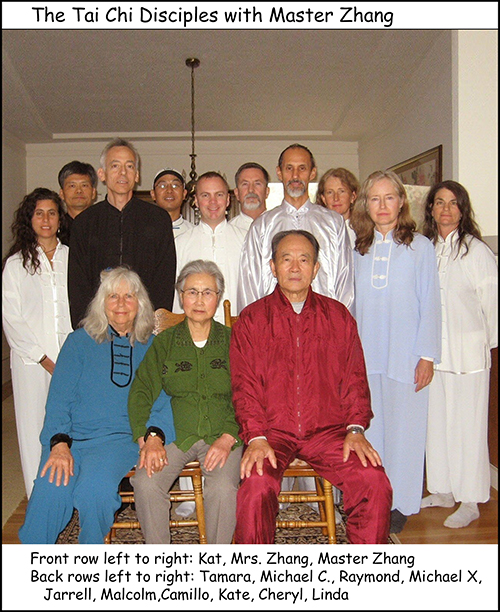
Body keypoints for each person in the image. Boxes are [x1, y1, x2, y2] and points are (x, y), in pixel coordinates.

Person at [230, 230, 392, 544]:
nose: (295, 267)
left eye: (304, 260)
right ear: (273, 266)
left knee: (373, 480)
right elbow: (244, 386)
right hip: (271, 432)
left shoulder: (338, 316)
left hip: (328, 431)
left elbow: (355, 378)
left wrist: (356, 428)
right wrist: (256, 436)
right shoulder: (252, 320)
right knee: (256, 486)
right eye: (286, 259)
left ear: (315, 268)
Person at [18, 266, 174, 544]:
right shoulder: (77, 342)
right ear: (102, 303)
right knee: (50, 492)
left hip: (119, 440)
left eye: (129, 296)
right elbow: (58, 401)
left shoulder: (154, 347)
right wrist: (59, 444)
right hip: (70, 439)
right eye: (113, 296)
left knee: (95, 493)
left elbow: (166, 399)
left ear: (140, 303)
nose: (121, 304)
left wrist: (154, 436)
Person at [350, 170, 441, 534]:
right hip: (366, 356)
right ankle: (373, 499)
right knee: (371, 432)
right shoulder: (358, 249)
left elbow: (430, 302)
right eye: (375, 198)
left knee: (406, 433)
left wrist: (427, 356)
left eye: (389, 198)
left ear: (401, 201)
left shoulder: (420, 247)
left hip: (407, 356)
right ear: (366, 204)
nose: (383, 205)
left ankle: (401, 503)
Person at [129, 260, 243, 544]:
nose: (199, 300)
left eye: (207, 292)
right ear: (181, 297)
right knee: (145, 483)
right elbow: (141, 391)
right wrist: (146, 438)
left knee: (223, 489)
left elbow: (248, 395)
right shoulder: (164, 342)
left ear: (218, 297)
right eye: (192, 292)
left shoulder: (234, 341)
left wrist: (229, 436)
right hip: (176, 435)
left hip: (223, 433)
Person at [420, 180, 498, 528]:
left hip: (468, 357)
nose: (446, 209)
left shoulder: (475, 251)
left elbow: (493, 305)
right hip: (435, 357)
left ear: (462, 209)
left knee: (467, 429)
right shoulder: (426, 248)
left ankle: (470, 499)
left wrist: (483, 347)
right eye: (439, 202)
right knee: (437, 427)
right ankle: (444, 490)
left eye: (453, 203)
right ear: (431, 209)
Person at [2, 188, 72, 497]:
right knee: (34, 430)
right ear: (29, 219)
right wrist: (42, 358)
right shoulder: (16, 264)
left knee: (71, 427)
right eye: (39, 213)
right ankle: (39, 497)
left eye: (52, 213)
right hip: (32, 363)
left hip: (71, 359)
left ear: (60, 218)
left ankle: (69, 494)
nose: (46, 219)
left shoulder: (73, 257)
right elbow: (11, 318)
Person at [68, 137, 176, 328]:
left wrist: (153, 325)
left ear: (137, 175)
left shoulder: (158, 220)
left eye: (129, 166)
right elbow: (77, 284)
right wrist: (86, 328)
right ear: (102, 174)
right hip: (97, 327)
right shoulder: (84, 223)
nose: (123, 173)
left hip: (145, 326)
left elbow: (164, 279)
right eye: (115, 166)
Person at [237, 143, 353, 313]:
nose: (295, 175)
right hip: (273, 323)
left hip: (323, 321)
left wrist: (338, 322)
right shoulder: (262, 226)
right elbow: (249, 285)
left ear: (312, 173)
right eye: (289, 168)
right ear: (279, 173)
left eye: (302, 168)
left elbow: (345, 282)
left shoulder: (333, 223)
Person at [174, 172, 246, 323]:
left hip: (237, 327)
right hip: (193, 328)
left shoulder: (246, 240)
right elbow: (176, 296)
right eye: (205, 195)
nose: (213, 202)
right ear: (196, 200)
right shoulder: (180, 243)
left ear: (228, 199)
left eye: (219, 195)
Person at [316, 167, 359, 247]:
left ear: (353, 196)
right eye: (330, 192)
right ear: (323, 198)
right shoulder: (316, 231)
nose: (336, 198)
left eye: (341, 191)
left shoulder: (366, 232)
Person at [57, 160, 98, 243]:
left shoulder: (104, 225)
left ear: (93, 193)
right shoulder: (54, 228)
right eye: (72, 186)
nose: (79, 191)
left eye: (84, 185)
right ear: (62, 193)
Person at [150, 167, 193, 239]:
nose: (169, 190)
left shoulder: (195, 233)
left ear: (184, 194)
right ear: (153, 194)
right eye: (163, 186)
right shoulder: (140, 232)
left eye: (175, 185)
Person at [230, 162, 270, 232]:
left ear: (267, 191)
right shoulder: (228, 230)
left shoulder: (279, 226)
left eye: (257, 184)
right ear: (237, 193)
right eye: (245, 184)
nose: (251, 190)